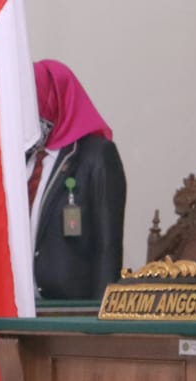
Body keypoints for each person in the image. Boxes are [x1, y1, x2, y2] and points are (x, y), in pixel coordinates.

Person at [28, 59, 127, 300]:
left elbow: (108, 246)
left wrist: (99, 312)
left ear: (55, 99)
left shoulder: (96, 156)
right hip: (18, 304)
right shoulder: (22, 159)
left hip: (70, 307)